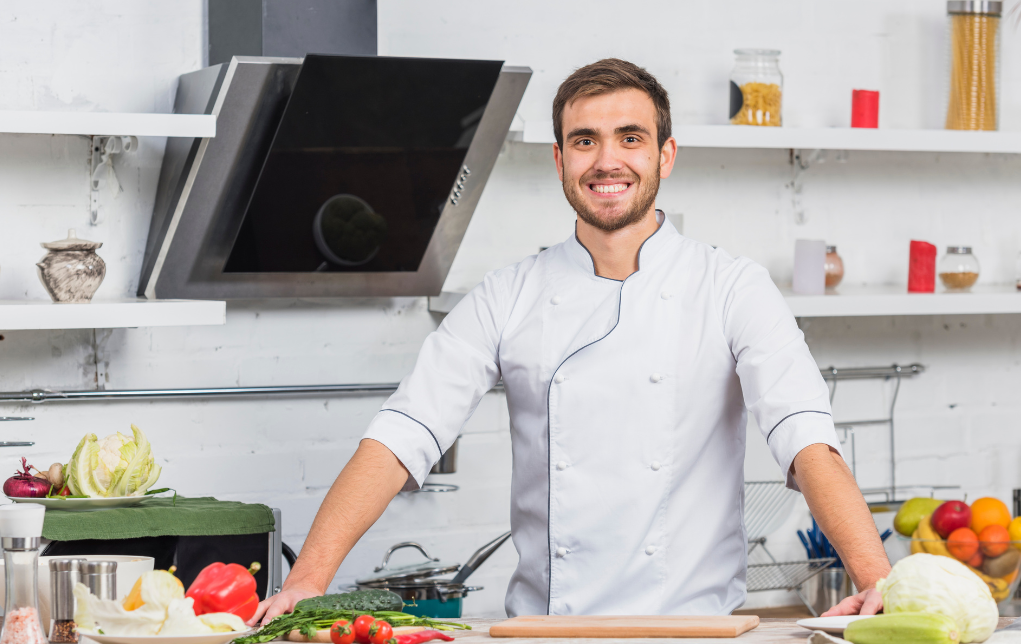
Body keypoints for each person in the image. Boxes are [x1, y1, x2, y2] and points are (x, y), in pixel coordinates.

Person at [252, 58, 889, 623]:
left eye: (630, 139)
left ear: (665, 156)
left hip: (693, 633)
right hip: (547, 631)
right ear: (560, 160)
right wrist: (309, 580)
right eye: (584, 141)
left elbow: (807, 442)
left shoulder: (731, 288)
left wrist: (877, 579)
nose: (607, 161)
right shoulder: (509, 294)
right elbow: (401, 436)